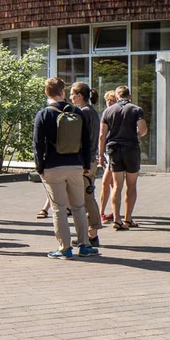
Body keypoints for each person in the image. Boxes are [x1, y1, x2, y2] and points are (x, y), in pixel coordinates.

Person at [32, 77, 96, 259]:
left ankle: (65, 248)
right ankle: (84, 245)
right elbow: (86, 140)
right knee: (79, 206)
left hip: (53, 167)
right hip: (75, 165)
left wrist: (40, 168)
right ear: (62, 92)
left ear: (47, 93)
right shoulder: (77, 112)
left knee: (59, 208)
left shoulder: (43, 114)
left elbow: (37, 144)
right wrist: (85, 164)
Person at [100, 84, 148, 229]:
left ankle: (116, 218)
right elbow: (143, 131)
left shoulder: (108, 111)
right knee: (131, 184)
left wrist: (101, 154)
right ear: (129, 96)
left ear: (117, 96)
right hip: (131, 148)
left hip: (114, 149)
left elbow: (102, 135)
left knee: (117, 185)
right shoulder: (136, 109)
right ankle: (127, 219)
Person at [69, 81, 102, 248]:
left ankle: (92, 235)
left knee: (86, 197)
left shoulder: (83, 113)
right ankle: (91, 233)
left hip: (85, 160)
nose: (70, 97)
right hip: (90, 158)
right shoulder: (91, 112)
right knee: (86, 195)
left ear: (80, 96)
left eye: (72, 94)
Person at [97, 89, 118, 224]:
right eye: (107, 100)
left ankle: (102, 213)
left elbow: (102, 135)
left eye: (111, 100)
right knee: (112, 184)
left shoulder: (111, 115)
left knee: (107, 183)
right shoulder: (108, 114)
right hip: (108, 151)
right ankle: (114, 213)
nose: (109, 103)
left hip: (112, 151)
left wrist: (100, 155)